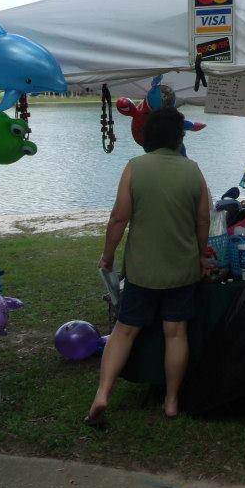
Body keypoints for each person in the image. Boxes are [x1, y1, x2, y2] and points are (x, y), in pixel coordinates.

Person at [86, 108, 210, 426]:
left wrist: (108, 255)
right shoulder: (193, 170)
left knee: (124, 330)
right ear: (179, 137)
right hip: (181, 269)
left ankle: (102, 394)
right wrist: (199, 256)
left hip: (142, 269)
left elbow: (118, 218)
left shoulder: (134, 167)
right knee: (175, 332)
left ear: (147, 136)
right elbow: (203, 219)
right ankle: (170, 402)